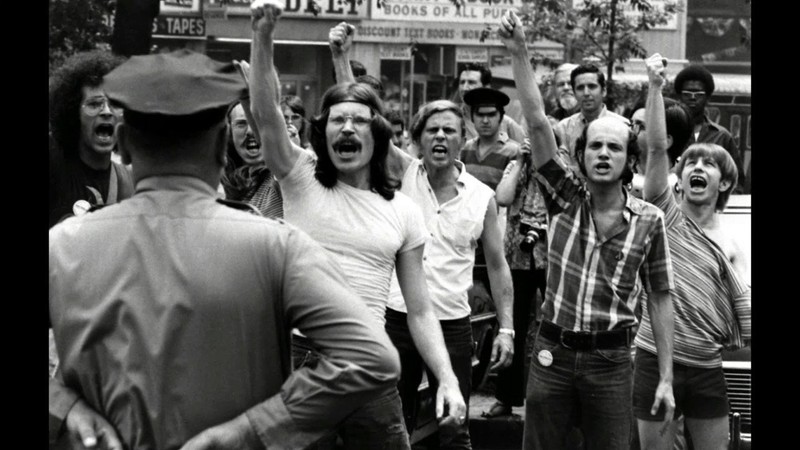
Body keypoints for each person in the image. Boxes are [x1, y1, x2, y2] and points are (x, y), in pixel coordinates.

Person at [49, 48, 402, 450]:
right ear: (221, 144)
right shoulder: (275, 246)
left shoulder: (64, 244)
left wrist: (67, 410)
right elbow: (373, 359)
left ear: (124, 146)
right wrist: (252, 430)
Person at [249, 6, 466, 448]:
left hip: (370, 362)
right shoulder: (300, 176)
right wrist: (263, 34)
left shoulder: (403, 209)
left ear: (378, 134)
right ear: (323, 132)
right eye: (336, 120)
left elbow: (421, 310)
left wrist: (448, 379)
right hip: (302, 360)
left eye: (359, 120)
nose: (347, 128)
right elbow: (266, 112)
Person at [498, 11, 676, 450]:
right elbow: (539, 122)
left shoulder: (648, 221)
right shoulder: (564, 197)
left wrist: (667, 376)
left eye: (614, 147)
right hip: (552, 353)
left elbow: (660, 297)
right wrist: (520, 51)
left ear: (627, 161)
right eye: (594, 145)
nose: (602, 153)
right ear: (580, 155)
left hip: (612, 361)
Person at [379, 100, 515, 449]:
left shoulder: (482, 197)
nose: (440, 136)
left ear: (462, 140)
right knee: (393, 424)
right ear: (419, 139)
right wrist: (340, 56)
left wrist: (508, 329)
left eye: (449, 130)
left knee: (454, 425)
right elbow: (373, 125)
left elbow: (498, 266)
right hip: (399, 318)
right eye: (431, 130)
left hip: (453, 324)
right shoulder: (403, 175)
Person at [634, 55, 751, 450]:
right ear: (679, 179)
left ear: (724, 183)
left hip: (706, 364)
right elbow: (653, 149)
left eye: (709, 163)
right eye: (690, 162)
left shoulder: (734, 241)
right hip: (653, 358)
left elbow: (746, 312)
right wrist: (654, 87)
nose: (697, 167)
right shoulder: (664, 214)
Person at [483, 138, 548, 419]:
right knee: (512, 326)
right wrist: (520, 162)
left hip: (551, 256)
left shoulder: (561, 169)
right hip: (517, 257)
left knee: (555, 324)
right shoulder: (515, 165)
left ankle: (551, 401)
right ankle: (506, 399)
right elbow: (503, 198)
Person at [49, 50, 134, 228]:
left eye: (115, 104)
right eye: (95, 104)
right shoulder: (54, 163)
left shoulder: (129, 180)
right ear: (73, 114)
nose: (106, 112)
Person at [673, 63, 745, 193]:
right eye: (687, 94)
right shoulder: (670, 133)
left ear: (707, 98)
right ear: (679, 97)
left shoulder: (722, 136)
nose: (693, 98)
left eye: (699, 94)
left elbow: (737, 182)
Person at [553, 63, 629, 176]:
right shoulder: (563, 128)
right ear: (574, 93)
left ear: (603, 91)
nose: (586, 93)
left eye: (592, 86)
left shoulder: (623, 126)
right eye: (580, 88)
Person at [220, 100, 284, 218]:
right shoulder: (220, 180)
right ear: (229, 132)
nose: (250, 131)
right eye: (241, 123)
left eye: (257, 122)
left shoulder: (280, 177)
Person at [627, 97, 690, 200]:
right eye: (631, 125)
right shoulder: (617, 173)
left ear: (665, 141)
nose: (631, 132)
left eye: (641, 127)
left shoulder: (688, 184)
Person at [459, 87, 521, 190]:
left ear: (500, 117)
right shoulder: (465, 149)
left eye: (491, 115)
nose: (485, 121)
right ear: (472, 118)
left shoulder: (513, 152)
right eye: (480, 115)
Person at [455, 62, 526, 143]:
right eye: (462, 82)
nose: (464, 88)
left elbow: (526, 151)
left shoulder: (506, 124)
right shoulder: (453, 120)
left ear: (486, 87)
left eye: (471, 82)